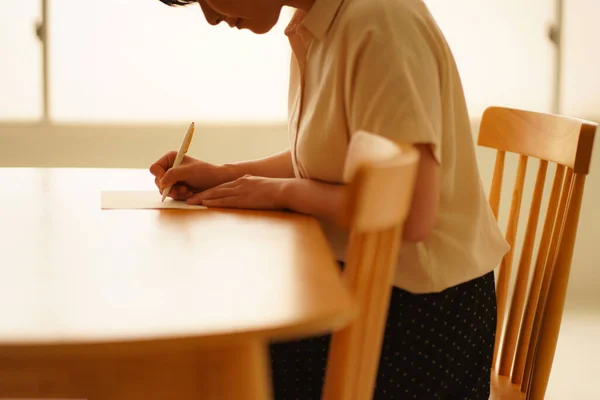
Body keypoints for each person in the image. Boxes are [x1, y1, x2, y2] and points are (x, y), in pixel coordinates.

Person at [150, 0, 510, 398]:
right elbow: (333, 159)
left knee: (202, 366)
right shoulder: (318, 23)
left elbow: (410, 213)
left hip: (424, 314)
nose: (210, 16)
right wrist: (226, 175)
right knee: (205, 342)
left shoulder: (381, 21)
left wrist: (282, 192)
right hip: (375, 285)